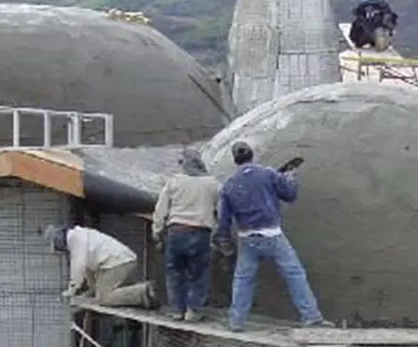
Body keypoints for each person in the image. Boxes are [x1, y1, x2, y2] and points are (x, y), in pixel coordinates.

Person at [214, 141, 329, 332]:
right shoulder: (267, 174)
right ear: (252, 155)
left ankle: (236, 322)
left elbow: (224, 220)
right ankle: (311, 317)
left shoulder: (229, 185)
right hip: (272, 236)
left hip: (246, 239)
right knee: (294, 274)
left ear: (235, 161)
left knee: (243, 280)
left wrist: (223, 240)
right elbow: (289, 195)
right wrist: (290, 177)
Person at [151, 147, 220, 322]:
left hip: (176, 232)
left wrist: (157, 232)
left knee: (174, 272)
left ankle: (176, 310)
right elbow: (220, 210)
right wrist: (218, 233)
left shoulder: (174, 182)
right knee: (199, 273)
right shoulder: (212, 184)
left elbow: (161, 210)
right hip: (201, 233)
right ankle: (193, 310)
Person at [51, 224, 157, 308]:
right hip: (120, 261)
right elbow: (87, 268)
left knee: (104, 298)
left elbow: (78, 268)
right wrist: (89, 291)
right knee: (89, 270)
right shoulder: (80, 234)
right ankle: (93, 292)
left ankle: (143, 291)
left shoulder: (75, 242)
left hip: (119, 263)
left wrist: (71, 291)